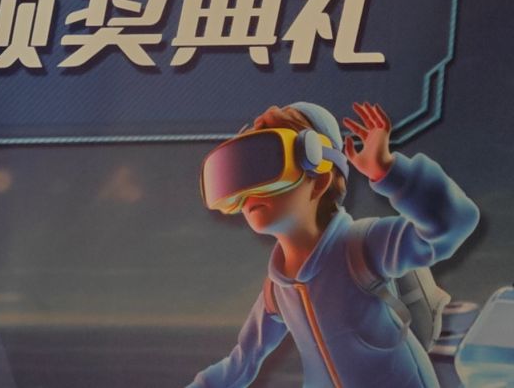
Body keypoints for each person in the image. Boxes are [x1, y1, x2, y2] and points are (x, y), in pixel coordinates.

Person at [189, 102, 478, 387]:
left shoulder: (361, 247)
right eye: (243, 174)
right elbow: (242, 362)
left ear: (319, 181)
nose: (250, 192)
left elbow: (454, 223)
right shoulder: (277, 289)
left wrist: (390, 172)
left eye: (268, 167)